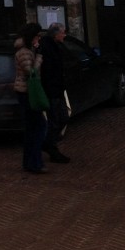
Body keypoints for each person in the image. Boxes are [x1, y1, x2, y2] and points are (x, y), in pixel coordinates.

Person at [13, 22, 48, 175]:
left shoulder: (27, 50)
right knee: (38, 127)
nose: (39, 39)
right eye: (37, 36)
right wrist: (39, 56)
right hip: (26, 93)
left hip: (26, 92)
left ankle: (30, 162)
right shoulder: (25, 52)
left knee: (32, 128)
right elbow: (31, 72)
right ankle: (34, 162)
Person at [39, 21, 71, 163]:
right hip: (52, 90)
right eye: (63, 32)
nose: (64, 35)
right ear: (56, 34)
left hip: (57, 89)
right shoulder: (47, 48)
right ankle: (50, 146)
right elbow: (48, 71)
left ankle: (49, 144)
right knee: (56, 119)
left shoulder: (55, 46)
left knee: (63, 117)